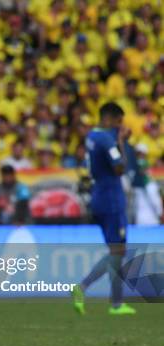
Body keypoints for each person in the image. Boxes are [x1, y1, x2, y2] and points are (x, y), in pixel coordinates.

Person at [72, 102, 136, 315]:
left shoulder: (91, 136)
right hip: (111, 199)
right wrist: (121, 141)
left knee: (116, 251)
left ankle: (116, 302)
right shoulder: (108, 139)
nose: (120, 126)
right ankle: (84, 288)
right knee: (118, 251)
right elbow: (119, 168)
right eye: (118, 122)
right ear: (109, 119)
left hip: (99, 195)